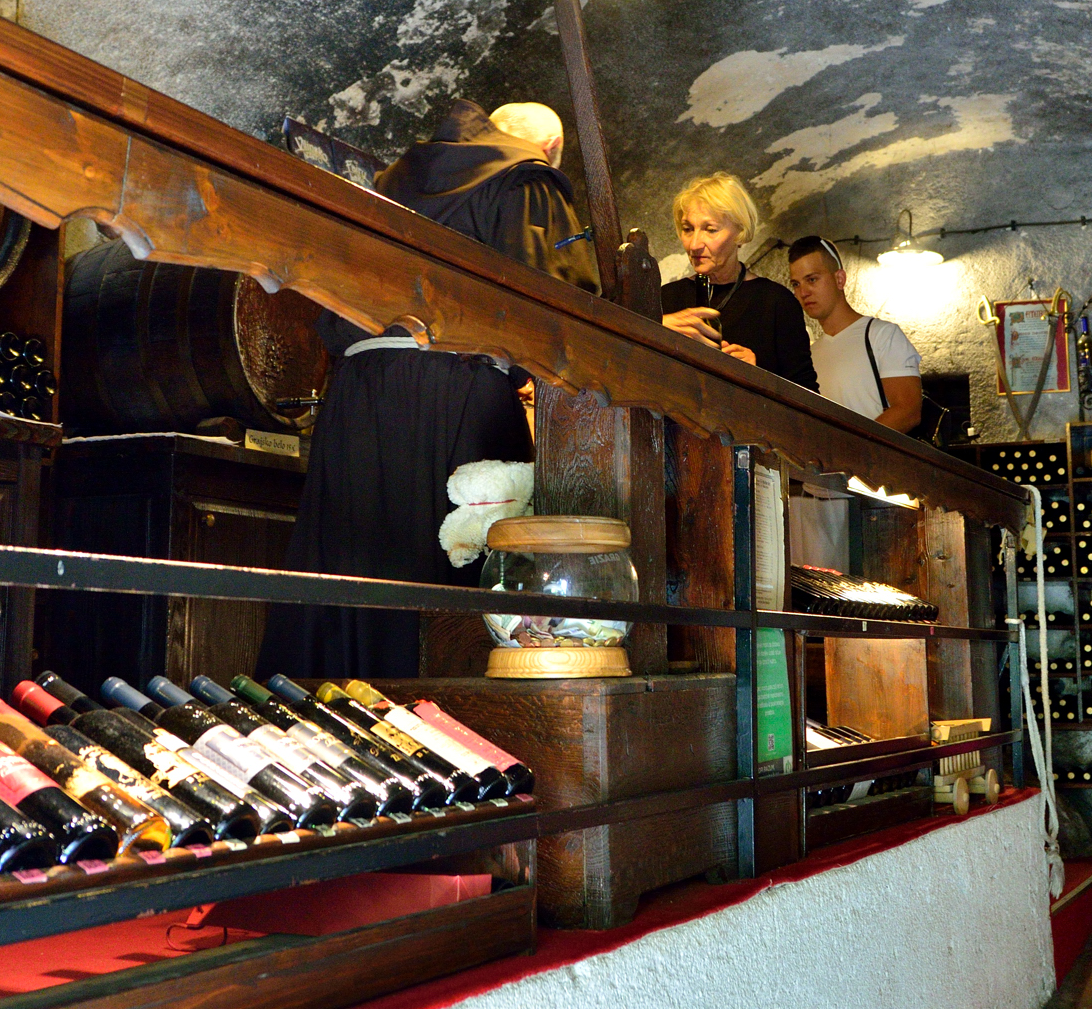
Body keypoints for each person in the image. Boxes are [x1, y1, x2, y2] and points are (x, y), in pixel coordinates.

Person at [257, 99, 598, 681]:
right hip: (456, 392)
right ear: (550, 149)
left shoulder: (387, 182)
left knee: (352, 575)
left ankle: (341, 719)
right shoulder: (528, 180)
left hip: (356, 398)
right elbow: (561, 309)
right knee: (455, 581)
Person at [655, 174, 817, 388]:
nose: (694, 245)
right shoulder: (664, 299)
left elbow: (806, 393)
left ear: (740, 232)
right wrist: (653, 328)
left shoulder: (777, 303)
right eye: (688, 229)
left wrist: (760, 375)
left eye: (710, 230)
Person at [784, 236, 923, 434]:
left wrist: (850, 447)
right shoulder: (808, 355)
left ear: (839, 279)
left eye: (812, 279)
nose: (803, 292)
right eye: (796, 284)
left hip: (872, 454)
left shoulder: (882, 335)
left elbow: (908, 411)